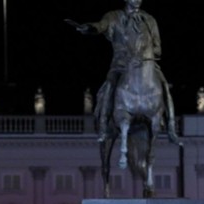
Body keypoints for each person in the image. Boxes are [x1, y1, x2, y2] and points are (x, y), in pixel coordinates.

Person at [67, 0, 175, 142]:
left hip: (146, 66)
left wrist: (143, 55)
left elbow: (158, 49)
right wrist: (90, 28)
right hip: (121, 65)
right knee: (110, 85)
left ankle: (171, 127)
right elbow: (100, 26)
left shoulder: (149, 20)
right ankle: (103, 126)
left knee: (164, 86)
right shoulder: (114, 17)